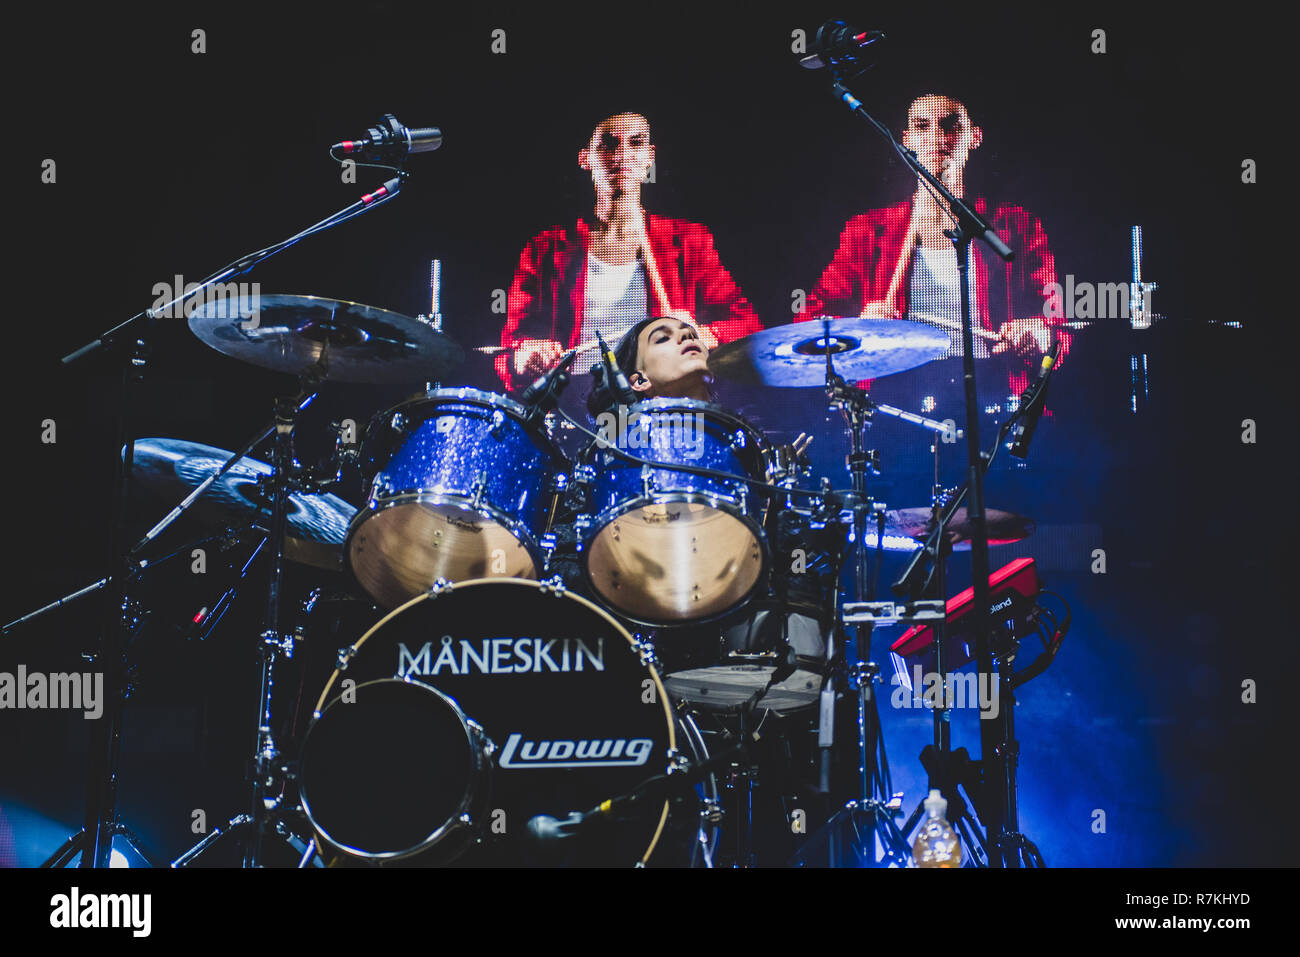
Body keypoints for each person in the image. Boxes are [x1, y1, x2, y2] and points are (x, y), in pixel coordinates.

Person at [799, 93, 1068, 389]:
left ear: (974, 137)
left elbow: (1060, 324)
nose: (937, 137)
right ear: (907, 140)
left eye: (950, 125)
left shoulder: (1016, 226)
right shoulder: (867, 231)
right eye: (922, 126)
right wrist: (859, 328)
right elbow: (809, 319)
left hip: (993, 389)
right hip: (898, 394)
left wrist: (1039, 335)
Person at [497, 112, 762, 392]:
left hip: (657, 401)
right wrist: (523, 356)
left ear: (650, 157)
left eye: (635, 143)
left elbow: (747, 326)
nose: (622, 154)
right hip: (573, 402)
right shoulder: (546, 249)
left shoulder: (688, 241)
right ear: (585, 158)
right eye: (609, 144)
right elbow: (507, 352)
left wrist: (703, 334)